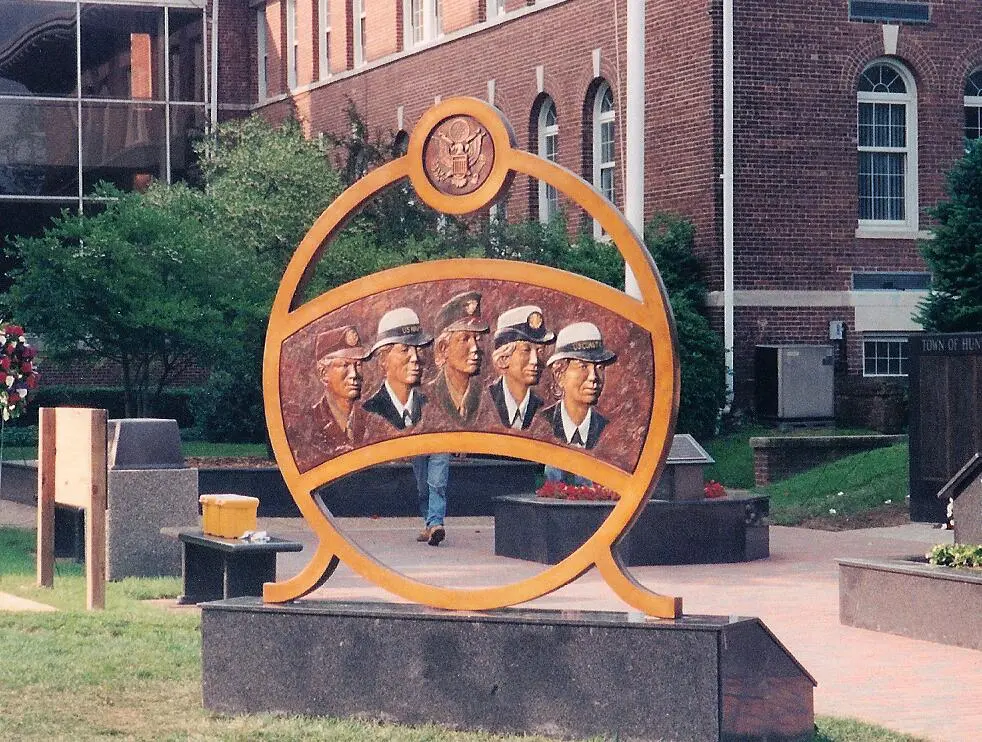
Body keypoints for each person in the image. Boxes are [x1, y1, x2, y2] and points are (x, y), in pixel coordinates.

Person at [539, 322, 617, 484]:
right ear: (560, 374)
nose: (593, 377)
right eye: (583, 366)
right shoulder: (541, 424)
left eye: (600, 367)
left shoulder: (608, 431)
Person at [362, 307, 433, 430]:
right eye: (405, 350)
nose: (415, 357)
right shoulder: (370, 412)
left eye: (418, 348)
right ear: (383, 359)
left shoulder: (430, 406)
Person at [487, 305, 554, 430]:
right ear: (504, 358)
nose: (535, 360)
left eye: (540, 351)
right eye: (526, 350)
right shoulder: (486, 401)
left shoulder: (543, 409)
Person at [429, 290, 489, 425]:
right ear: (443, 348)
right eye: (465, 339)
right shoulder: (426, 397)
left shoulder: (488, 397)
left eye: (477, 338)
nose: (475, 348)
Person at [309, 324, 370, 451]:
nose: (354, 374)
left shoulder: (371, 420)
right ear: (324, 373)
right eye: (344, 365)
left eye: (358, 365)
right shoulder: (310, 422)